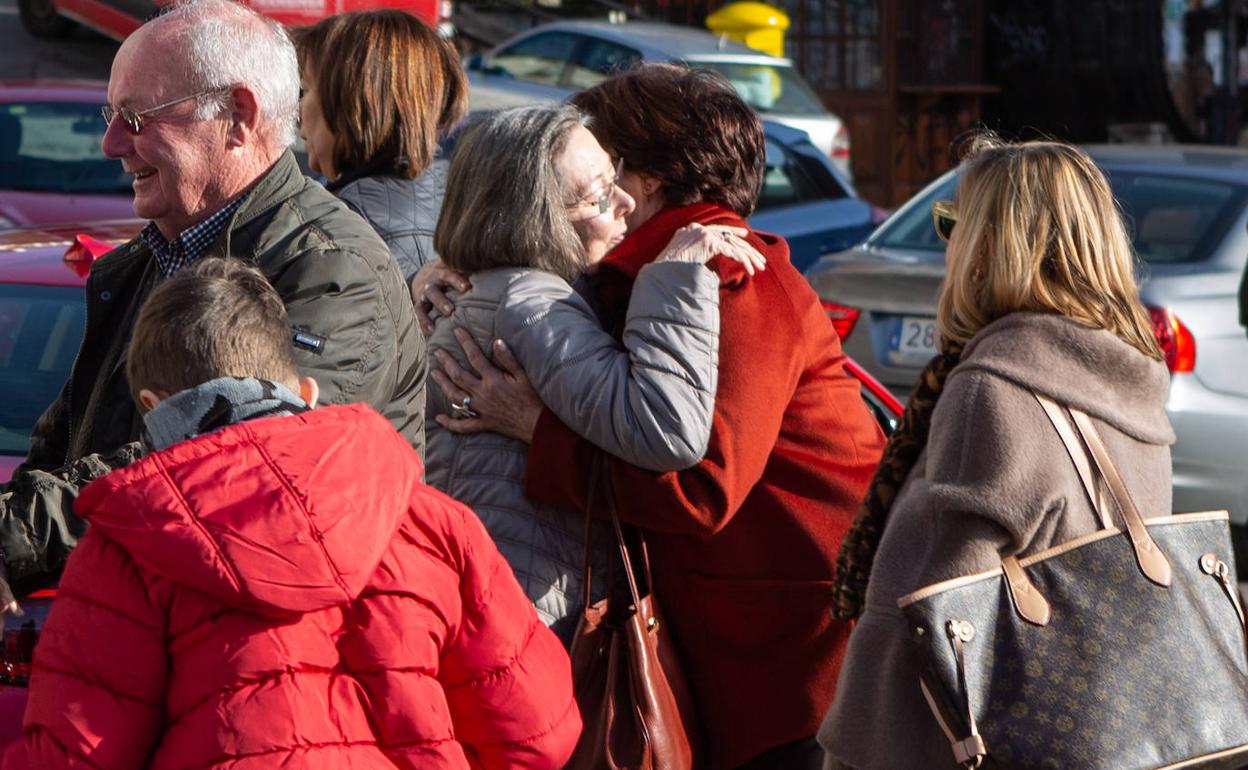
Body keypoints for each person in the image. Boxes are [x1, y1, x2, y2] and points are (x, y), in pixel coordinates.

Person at [423, 63, 886, 770]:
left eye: (607, 170)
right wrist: (452, 269)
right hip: (736, 635)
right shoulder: (633, 271)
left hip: (789, 653)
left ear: (646, 180)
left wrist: (537, 431)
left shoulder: (723, 273)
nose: (600, 189)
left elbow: (702, 484)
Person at [2, 257, 579, 770]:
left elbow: (73, 754)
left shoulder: (128, 549)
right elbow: (539, 734)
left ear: (152, 409)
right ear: (305, 391)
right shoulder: (434, 523)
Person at [0, 0, 426, 603]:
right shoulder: (145, 264)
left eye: (135, 116)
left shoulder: (331, 269)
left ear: (237, 116)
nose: (111, 143)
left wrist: (17, 541)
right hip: (149, 636)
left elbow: (231, 463)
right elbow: (63, 448)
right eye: (109, 114)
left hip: (272, 662)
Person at [818, 136, 1173, 769]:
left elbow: (939, 612)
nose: (945, 243)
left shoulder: (993, 388)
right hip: (1099, 734)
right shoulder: (1128, 379)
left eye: (953, 223)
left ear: (990, 247)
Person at [424, 104, 763, 642]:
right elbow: (667, 428)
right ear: (536, 216)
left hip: (500, 602)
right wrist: (676, 274)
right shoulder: (532, 305)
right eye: (600, 196)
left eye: (616, 175)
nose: (626, 202)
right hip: (522, 623)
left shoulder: (515, 290)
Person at [293, 10, 467, 286]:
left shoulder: (345, 232)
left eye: (305, 90)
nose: (297, 110)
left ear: (352, 105)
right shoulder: (446, 196)